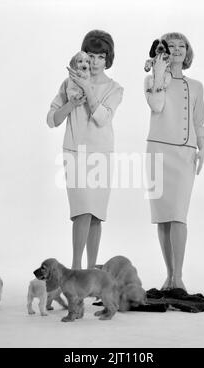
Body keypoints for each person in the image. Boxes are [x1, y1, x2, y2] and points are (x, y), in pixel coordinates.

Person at [46, 30, 123, 269]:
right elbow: (52, 120)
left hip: (102, 154)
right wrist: (72, 102)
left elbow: (102, 118)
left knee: (96, 215)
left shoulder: (115, 88)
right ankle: (76, 268)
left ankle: (91, 272)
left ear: (108, 58)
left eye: (101, 56)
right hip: (75, 153)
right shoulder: (67, 85)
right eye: (90, 55)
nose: (95, 61)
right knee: (82, 211)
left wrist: (87, 89)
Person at [144, 32, 204, 290]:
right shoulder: (152, 79)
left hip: (185, 154)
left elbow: (198, 121)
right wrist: (159, 73)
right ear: (164, 51)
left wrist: (202, 147)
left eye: (183, 45)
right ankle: (169, 276)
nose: (178, 49)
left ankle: (178, 276)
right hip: (158, 151)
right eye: (172, 45)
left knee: (179, 214)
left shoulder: (197, 86)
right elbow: (157, 106)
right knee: (163, 216)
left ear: (187, 51)